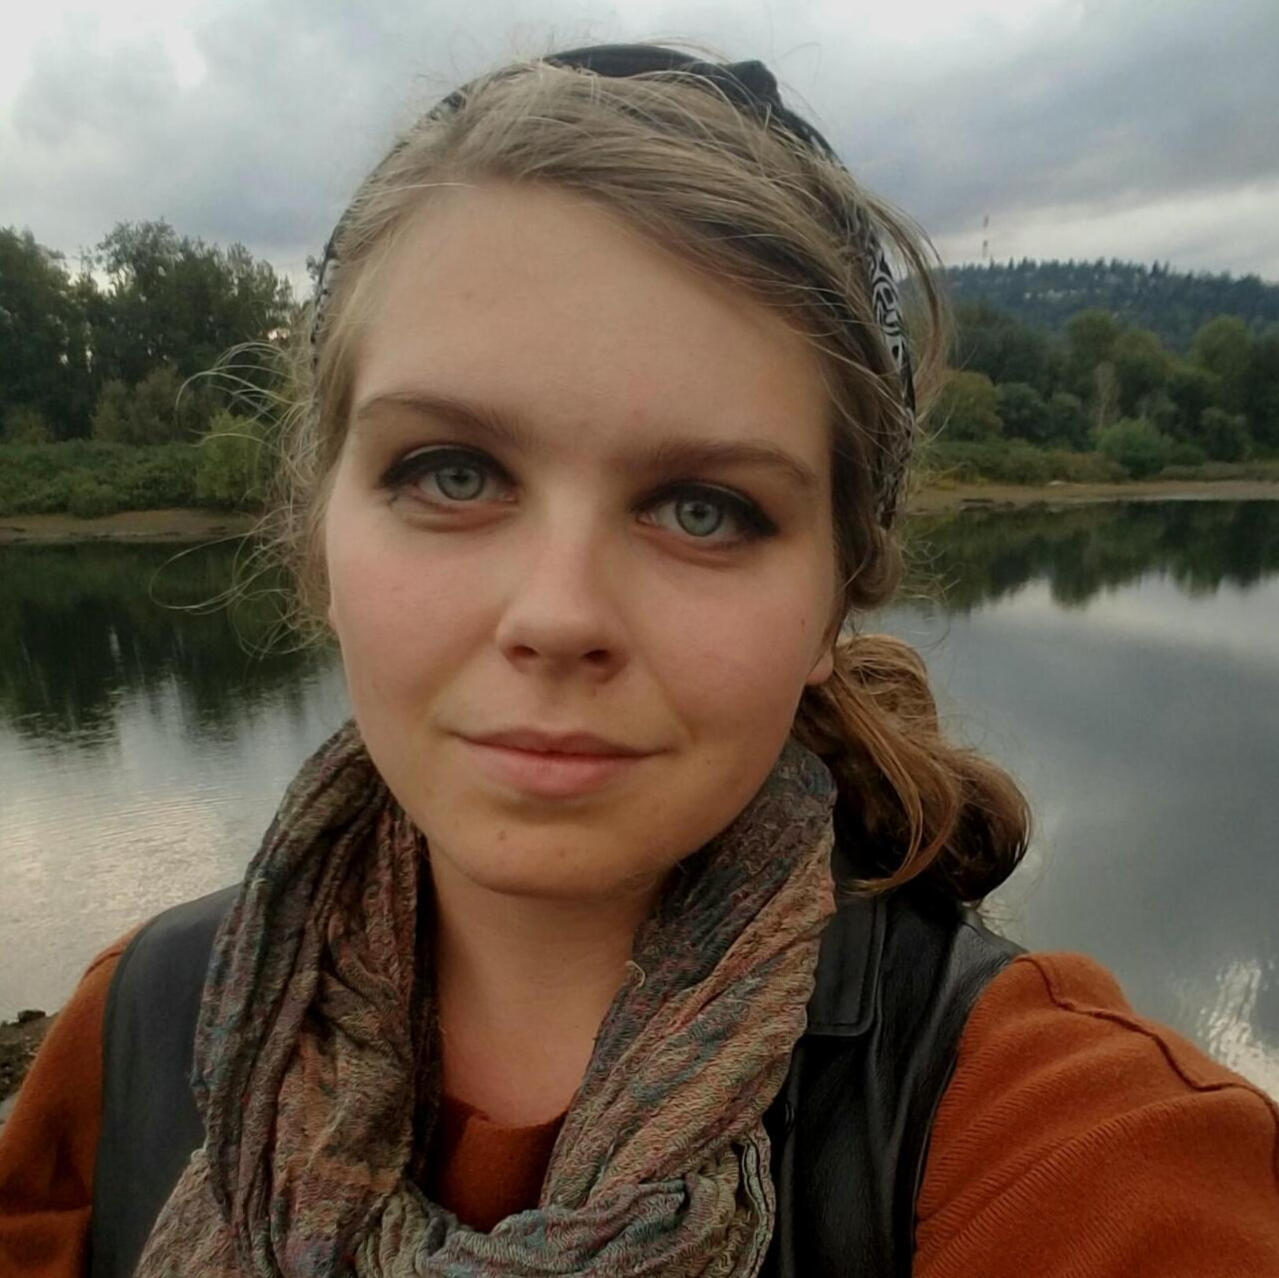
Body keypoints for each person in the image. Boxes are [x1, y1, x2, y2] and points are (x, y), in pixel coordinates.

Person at [2, 41, 1277, 1278]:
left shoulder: (1073, 1155)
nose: (559, 616)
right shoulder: (136, 1034)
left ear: (833, 603)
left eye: (703, 509)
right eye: (453, 473)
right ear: (319, 540)